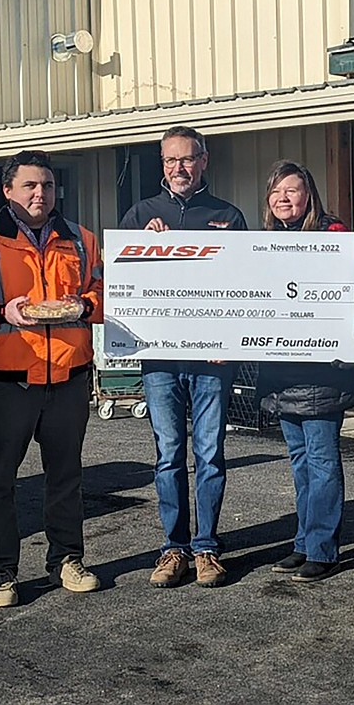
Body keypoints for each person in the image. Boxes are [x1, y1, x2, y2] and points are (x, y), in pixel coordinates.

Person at [0, 150, 105, 609]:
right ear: (8, 191)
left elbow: (104, 293)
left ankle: (67, 560)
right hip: (7, 379)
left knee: (65, 476)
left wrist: (86, 305)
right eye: (29, 185)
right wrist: (2, 311)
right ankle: (1, 571)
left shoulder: (81, 239)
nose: (40, 193)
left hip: (68, 375)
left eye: (46, 184)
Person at [120, 125, 247, 588]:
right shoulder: (140, 215)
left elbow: (245, 286)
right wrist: (146, 248)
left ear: (204, 161)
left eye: (187, 159)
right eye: (171, 160)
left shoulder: (228, 216)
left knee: (210, 453)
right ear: (162, 163)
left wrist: (228, 341)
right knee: (169, 454)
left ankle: (207, 546)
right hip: (160, 360)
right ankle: (173, 547)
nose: (179, 168)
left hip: (212, 359)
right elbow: (124, 286)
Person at [257, 160, 354, 583]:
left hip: (323, 373)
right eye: (276, 191)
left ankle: (323, 548)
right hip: (282, 372)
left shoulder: (330, 235)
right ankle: (303, 542)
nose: (284, 199)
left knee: (320, 461)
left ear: (309, 195)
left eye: (293, 190)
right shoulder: (264, 243)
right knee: (300, 461)